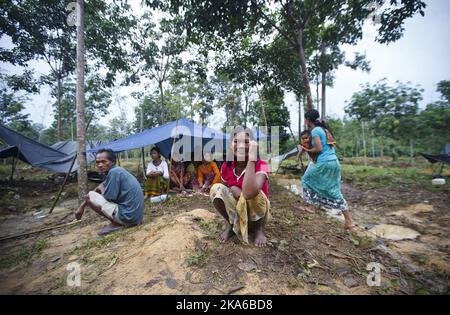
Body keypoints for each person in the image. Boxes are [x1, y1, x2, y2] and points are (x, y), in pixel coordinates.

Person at [210, 129, 270, 247]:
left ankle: (258, 229)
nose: (241, 146)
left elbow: (249, 193)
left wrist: (252, 159)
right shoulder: (227, 165)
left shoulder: (262, 164)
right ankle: (233, 225)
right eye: (236, 141)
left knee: (255, 192)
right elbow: (223, 188)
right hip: (238, 211)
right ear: (231, 145)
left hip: (258, 214)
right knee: (216, 189)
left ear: (253, 146)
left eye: (247, 142)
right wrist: (232, 187)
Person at [300, 109, 355, 229]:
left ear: (308, 120)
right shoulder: (324, 130)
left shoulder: (315, 131)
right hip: (334, 162)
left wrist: (307, 150)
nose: (304, 121)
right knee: (334, 190)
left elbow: (319, 149)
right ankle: (348, 221)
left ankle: (312, 207)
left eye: (305, 119)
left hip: (324, 162)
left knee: (306, 180)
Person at [75, 149, 144, 236]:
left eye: (103, 162)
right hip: (136, 217)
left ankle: (116, 224)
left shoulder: (114, 172)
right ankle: (118, 222)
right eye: (98, 162)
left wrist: (99, 191)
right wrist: (82, 207)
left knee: (90, 198)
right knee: (93, 193)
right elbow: (99, 187)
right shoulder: (117, 170)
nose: (100, 165)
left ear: (113, 161)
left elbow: (109, 197)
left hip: (128, 217)